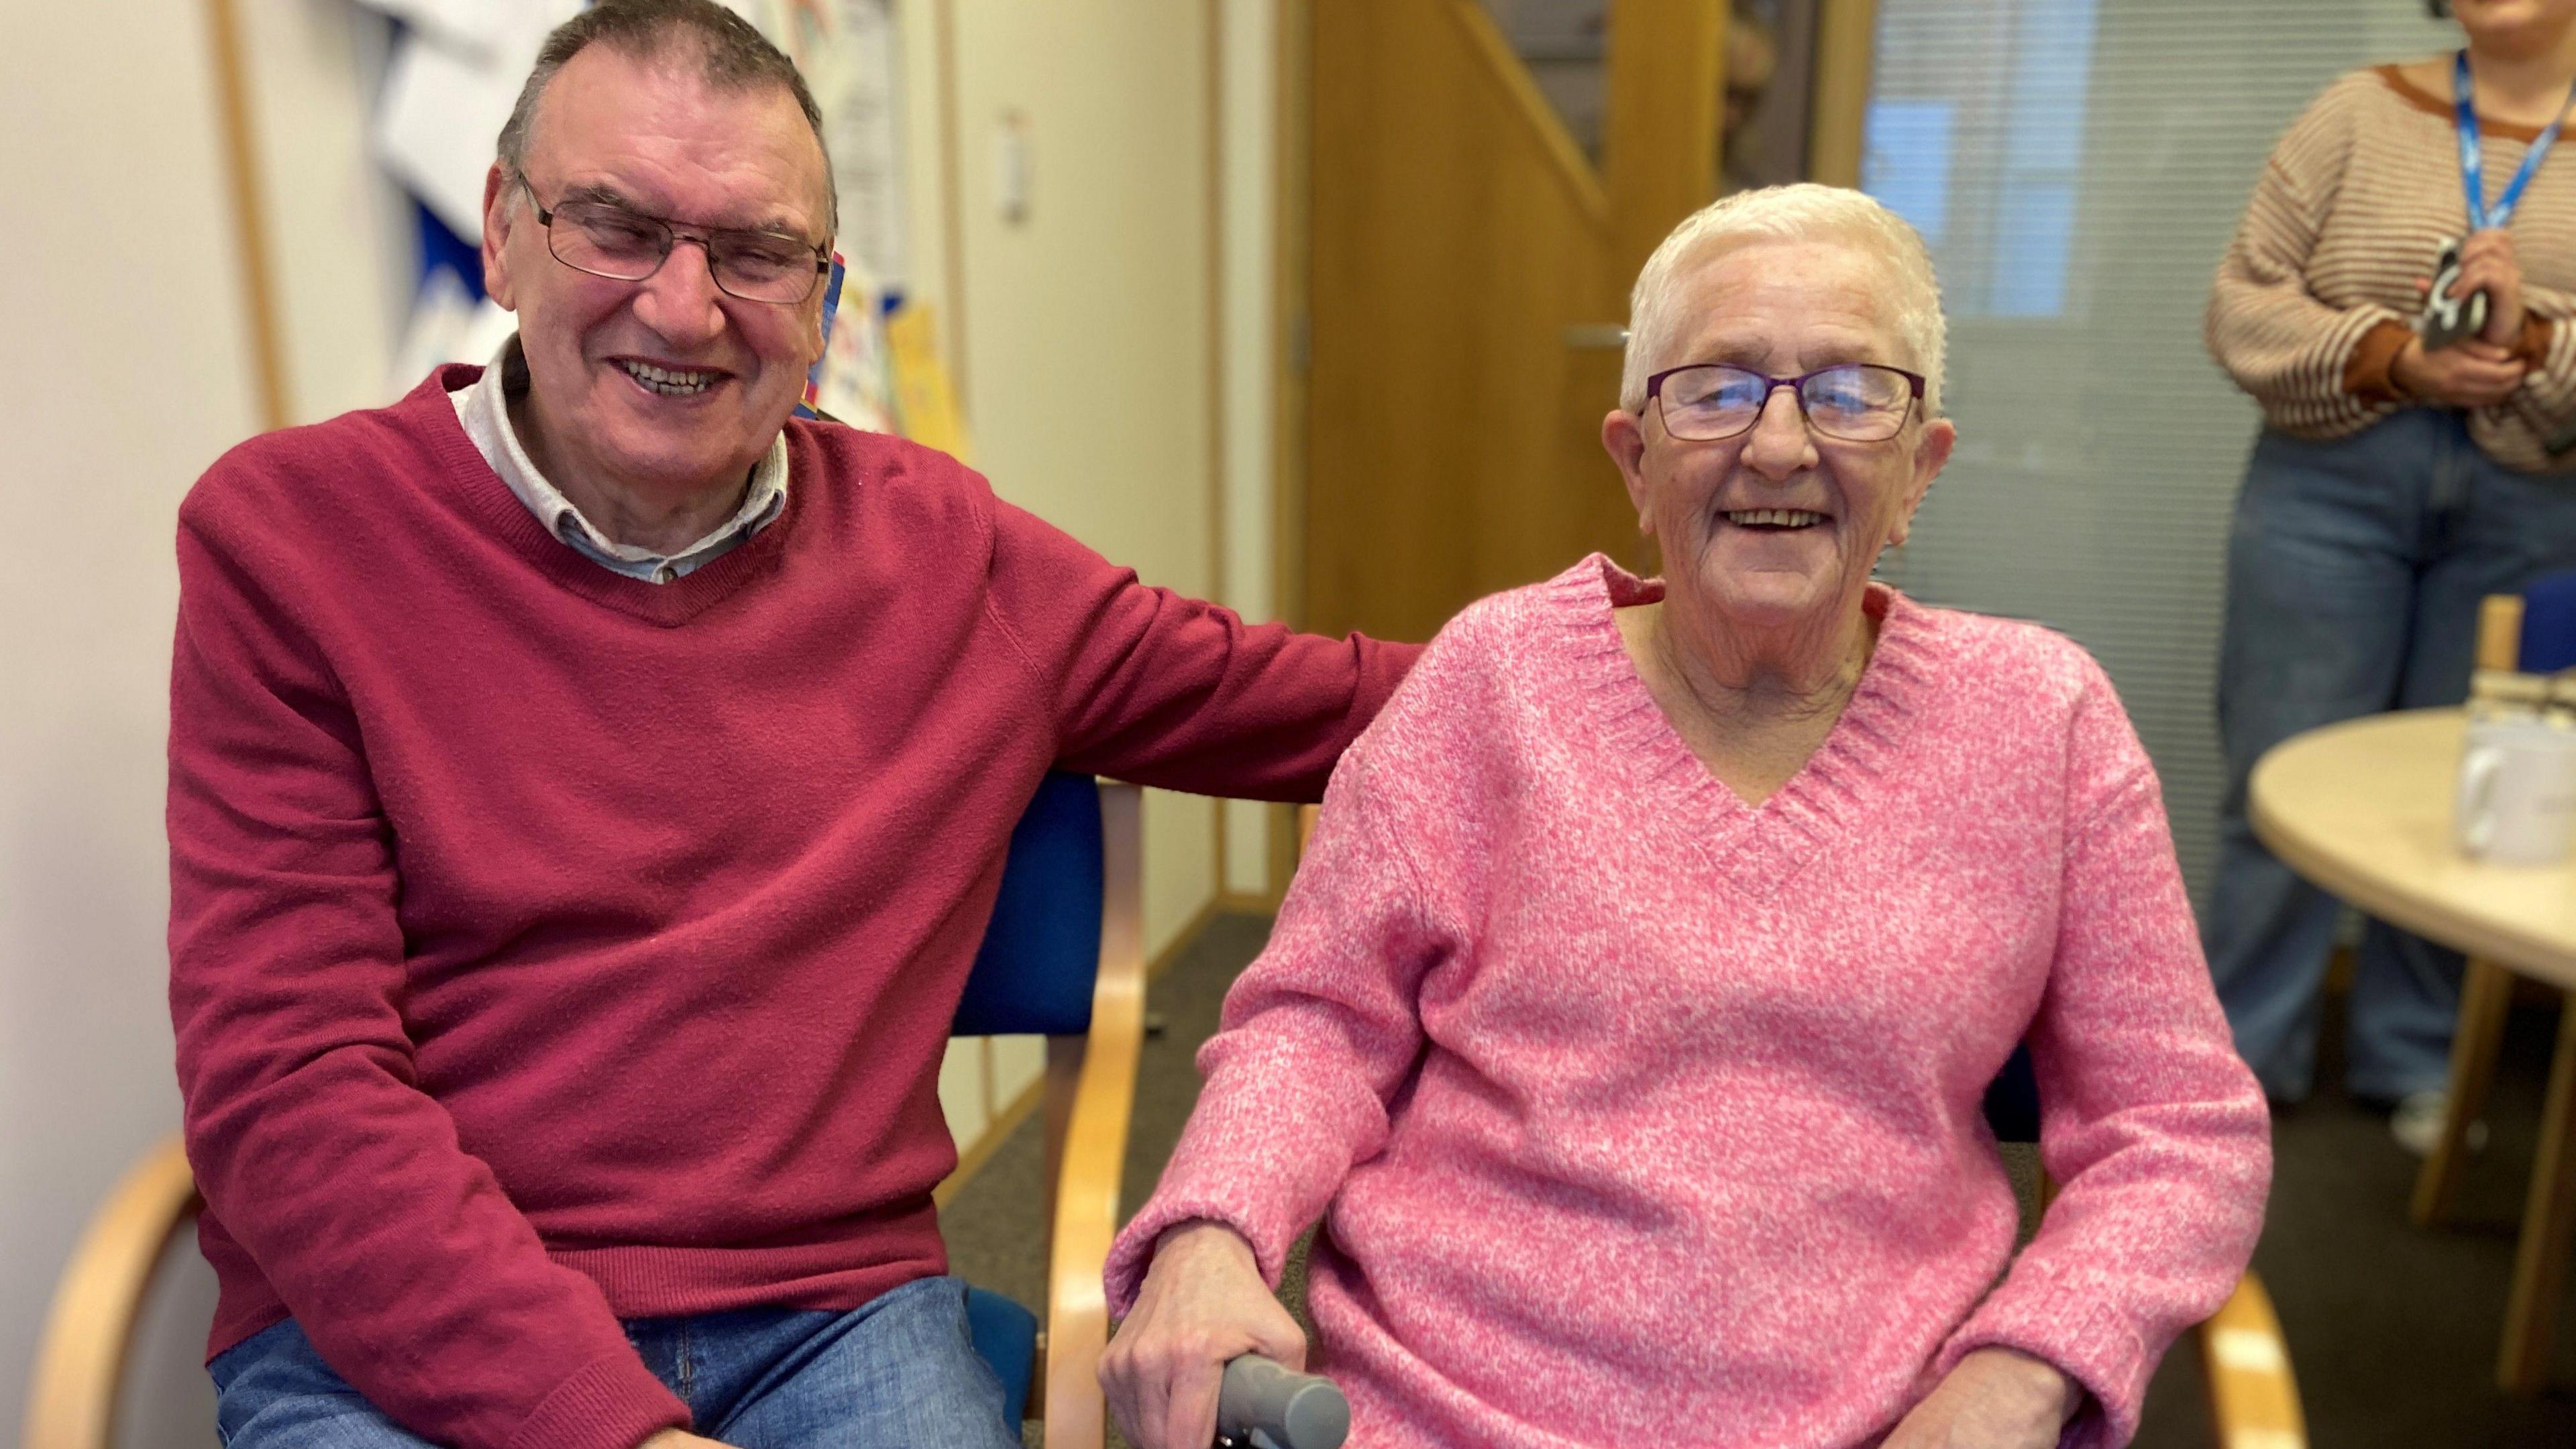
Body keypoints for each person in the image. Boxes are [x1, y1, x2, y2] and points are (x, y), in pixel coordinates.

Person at [165, 5, 1418, 1448]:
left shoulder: (947, 554)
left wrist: (1670, 621)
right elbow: (290, 1091)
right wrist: (611, 1428)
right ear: (503, 228)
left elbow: (1313, 698)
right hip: (402, 1335)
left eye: (757, 254)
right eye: (617, 228)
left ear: (823, 298)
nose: (686, 309)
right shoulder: (296, 542)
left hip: (829, 1317)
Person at [1097, 184, 2271, 1449]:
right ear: (1635, 461)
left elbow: (2179, 1132)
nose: (1778, 446)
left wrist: (2021, 1374)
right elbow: (1317, 1027)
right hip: (1438, 1410)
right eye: (1716, 388)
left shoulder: (2043, 722)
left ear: (1921, 467)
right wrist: (1212, 1230)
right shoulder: (1492, 684)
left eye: (1847, 391)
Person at [2204, 0, 2576, 1152]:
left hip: (2534, 495)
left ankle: (2419, 1062)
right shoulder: (2356, 113)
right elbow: (2242, 304)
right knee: (2280, 774)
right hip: (2332, 482)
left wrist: (2529, 340)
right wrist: (2398, 357)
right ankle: (2233, 1068)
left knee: (2471, 786)